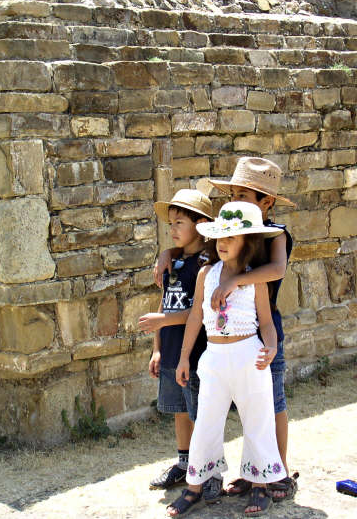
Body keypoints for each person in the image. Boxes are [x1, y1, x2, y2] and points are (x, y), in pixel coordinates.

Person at [155, 157, 298, 503]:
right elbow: (199, 245)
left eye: (244, 195)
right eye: (232, 194)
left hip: (259, 328)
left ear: (267, 202)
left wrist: (237, 280)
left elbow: (275, 271)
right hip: (223, 333)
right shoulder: (223, 242)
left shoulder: (276, 236)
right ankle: (244, 478)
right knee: (215, 410)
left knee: (270, 404)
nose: (235, 200)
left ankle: (276, 474)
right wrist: (168, 250)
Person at [139, 189, 214, 491]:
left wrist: (164, 320)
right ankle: (184, 464)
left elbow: (199, 310)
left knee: (199, 413)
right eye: (170, 224)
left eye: (179, 223)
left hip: (194, 353)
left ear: (201, 224)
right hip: (170, 351)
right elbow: (165, 302)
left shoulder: (206, 263)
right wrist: (156, 349)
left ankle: (205, 468)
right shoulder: (174, 261)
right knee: (179, 412)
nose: (172, 230)